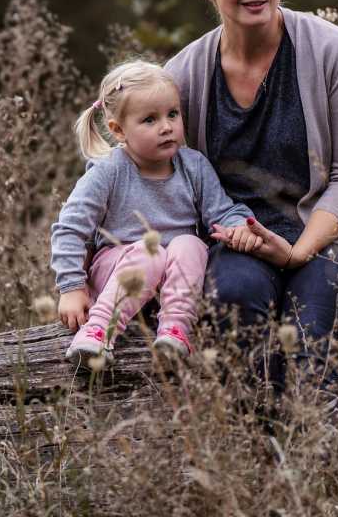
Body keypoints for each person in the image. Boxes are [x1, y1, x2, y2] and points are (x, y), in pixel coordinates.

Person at [164, 0, 338, 393]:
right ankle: (256, 455)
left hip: (329, 237)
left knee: (316, 319)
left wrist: (296, 253)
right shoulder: (182, 76)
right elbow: (161, 178)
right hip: (239, 241)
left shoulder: (332, 50)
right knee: (233, 301)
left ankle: (317, 455)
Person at [50, 60, 258, 367]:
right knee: (150, 254)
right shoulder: (109, 171)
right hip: (118, 270)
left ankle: (175, 328)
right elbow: (70, 228)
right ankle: (98, 332)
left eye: (172, 114)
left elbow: (222, 211)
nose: (166, 127)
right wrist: (71, 288)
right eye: (149, 120)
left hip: (173, 280)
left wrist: (238, 225)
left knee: (190, 244)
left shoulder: (193, 166)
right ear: (118, 130)